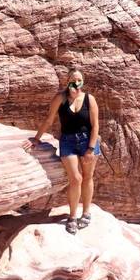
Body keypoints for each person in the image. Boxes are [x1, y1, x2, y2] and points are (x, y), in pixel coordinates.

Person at [26, 68, 101, 234]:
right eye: (73, 79)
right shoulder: (60, 98)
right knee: (76, 178)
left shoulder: (89, 99)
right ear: (67, 81)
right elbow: (49, 119)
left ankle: (86, 213)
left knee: (88, 177)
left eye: (79, 80)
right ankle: (72, 217)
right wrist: (36, 139)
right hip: (68, 140)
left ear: (83, 82)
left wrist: (90, 148)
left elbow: (95, 125)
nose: (76, 82)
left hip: (88, 140)